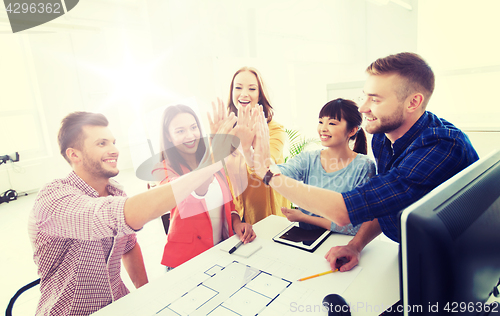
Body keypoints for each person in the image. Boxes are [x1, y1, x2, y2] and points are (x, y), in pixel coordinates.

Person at [252, 52, 479, 273]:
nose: (362, 108)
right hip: (412, 247)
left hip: (454, 262)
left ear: (413, 102)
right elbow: (383, 202)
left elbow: (345, 212)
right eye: (366, 96)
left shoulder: (442, 147)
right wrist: (355, 245)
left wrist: (268, 173)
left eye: (375, 99)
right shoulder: (383, 135)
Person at [29, 111, 237, 316]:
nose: (114, 150)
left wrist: (146, 292)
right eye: (102, 144)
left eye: (113, 142)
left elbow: (128, 246)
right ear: (74, 155)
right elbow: (116, 216)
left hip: (118, 303)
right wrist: (212, 162)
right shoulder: (54, 198)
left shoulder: (116, 191)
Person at [151, 105, 256, 269]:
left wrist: (236, 223)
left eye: (194, 128)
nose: (190, 135)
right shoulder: (162, 169)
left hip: (221, 251)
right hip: (187, 261)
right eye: (180, 131)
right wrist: (214, 156)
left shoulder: (213, 160)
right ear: (168, 136)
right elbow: (188, 201)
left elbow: (228, 203)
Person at [278, 98, 376, 235]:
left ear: (352, 130)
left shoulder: (364, 166)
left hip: (341, 241)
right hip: (306, 237)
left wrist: (304, 217)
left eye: (332, 123)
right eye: (320, 122)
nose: (323, 128)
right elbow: (279, 174)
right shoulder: (308, 158)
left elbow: (355, 227)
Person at [222, 66, 289, 225]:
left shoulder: (274, 130)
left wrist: (247, 147)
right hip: (236, 217)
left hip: (267, 215)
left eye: (252, 88)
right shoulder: (226, 129)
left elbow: (264, 168)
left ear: (259, 95)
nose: (244, 93)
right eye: (238, 87)